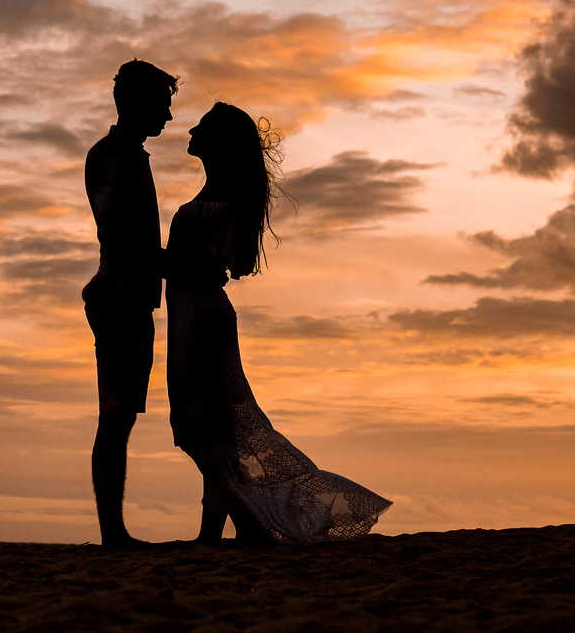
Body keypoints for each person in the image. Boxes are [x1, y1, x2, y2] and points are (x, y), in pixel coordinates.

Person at [166, 102, 392, 544]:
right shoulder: (226, 197)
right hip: (198, 318)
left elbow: (195, 269)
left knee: (210, 431)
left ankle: (229, 531)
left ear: (220, 143)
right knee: (214, 434)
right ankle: (239, 527)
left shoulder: (219, 202)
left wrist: (139, 258)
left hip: (200, 322)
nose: (191, 130)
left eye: (203, 128)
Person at [82, 59, 177, 550]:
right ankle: (113, 533)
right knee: (116, 417)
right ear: (138, 102)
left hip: (129, 295)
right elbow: (120, 234)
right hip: (121, 296)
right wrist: (170, 263)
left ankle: (114, 532)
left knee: (120, 417)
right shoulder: (115, 156)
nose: (167, 116)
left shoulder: (126, 155)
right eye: (163, 104)